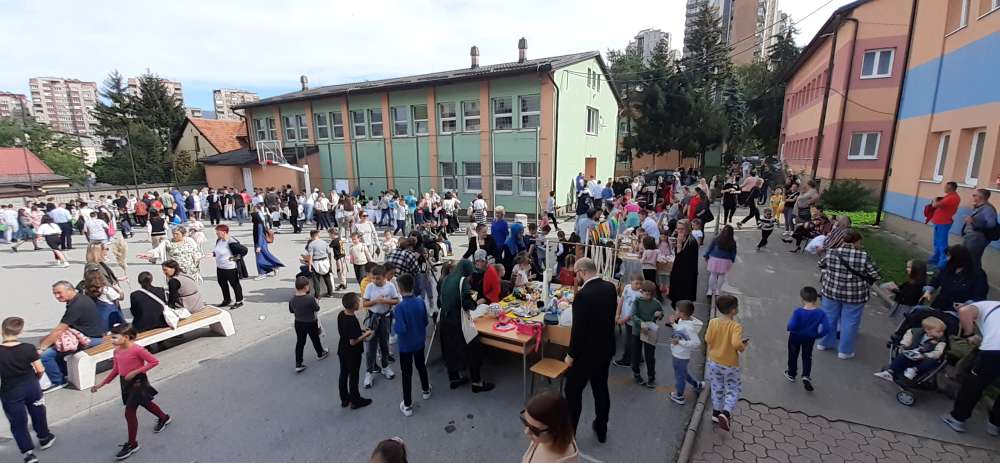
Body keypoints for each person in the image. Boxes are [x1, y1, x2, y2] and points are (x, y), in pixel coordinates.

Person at [90, 323, 171, 461]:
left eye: (115, 337)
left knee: (129, 412)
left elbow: (154, 362)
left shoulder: (138, 350)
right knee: (146, 403)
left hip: (138, 382)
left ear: (126, 337)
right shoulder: (116, 351)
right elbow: (116, 370)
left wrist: (135, 372)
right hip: (125, 383)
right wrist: (101, 384)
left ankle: (132, 444)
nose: (112, 340)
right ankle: (164, 417)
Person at [563, 257, 616, 443]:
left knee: (572, 392)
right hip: (605, 349)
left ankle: (570, 433)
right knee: (601, 390)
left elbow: (578, 331)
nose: (575, 277)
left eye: (575, 274)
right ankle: (601, 428)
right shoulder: (610, 288)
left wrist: (570, 355)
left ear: (583, 272)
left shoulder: (583, 296)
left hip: (585, 355)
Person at [816, 230, 880, 359]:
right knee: (850, 321)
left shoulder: (832, 252)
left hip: (831, 291)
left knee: (828, 317)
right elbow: (875, 274)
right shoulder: (863, 256)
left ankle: (824, 343)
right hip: (855, 295)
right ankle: (844, 351)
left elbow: (821, 264)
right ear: (857, 242)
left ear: (843, 240)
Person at [1, 317, 56, 463]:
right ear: (20, 332)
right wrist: (36, 379)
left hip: (10, 390)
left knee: (18, 422)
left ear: (2, 331)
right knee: (38, 413)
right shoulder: (28, 348)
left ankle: (28, 453)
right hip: (31, 386)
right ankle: (44, 437)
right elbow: (40, 369)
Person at [940, 301, 1000, 435]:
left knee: (975, 384)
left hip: (995, 350)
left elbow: (964, 311)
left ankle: (957, 419)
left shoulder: (983, 305)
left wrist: (970, 335)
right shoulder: (992, 308)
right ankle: (995, 424)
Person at [437, 260, 495, 392]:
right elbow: (470, 305)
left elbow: (440, 301)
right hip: (458, 321)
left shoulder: (446, 279)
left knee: (450, 349)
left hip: (445, 321)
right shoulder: (463, 281)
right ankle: (477, 383)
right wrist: (476, 298)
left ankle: (454, 379)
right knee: (474, 349)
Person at [37, 281, 106, 390]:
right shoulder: (80, 298)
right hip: (89, 335)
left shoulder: (76, 305)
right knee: (50, 342)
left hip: (91, 339)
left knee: (45, 355)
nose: (57, 296)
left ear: (70, 290)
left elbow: (60, 329)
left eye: (59, 293)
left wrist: (41, 348)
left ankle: (58, 381)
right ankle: (64, 372)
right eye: (54, 293)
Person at [705, 295, 747, 431]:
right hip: (730, 364)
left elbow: (708, 339)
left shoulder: (713, 322)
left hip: (714, 361)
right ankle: (726, 412)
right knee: (733, 388)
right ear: (733, 310)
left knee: (717, 386)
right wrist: (742, 346)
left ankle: (716, 413)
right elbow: (736, 343)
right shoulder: (735, 326)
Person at [393, 274, 431, 417]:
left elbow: (400, 329)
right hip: (419, 342)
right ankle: (426, 390)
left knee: (406, 374)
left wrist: (394, 325)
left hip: (405, 346)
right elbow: (425, 321)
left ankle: (407, 405)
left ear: (400, 288)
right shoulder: (420, 301)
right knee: (421, 366)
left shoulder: (399, 308)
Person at [874, 316, 946, 382]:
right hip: (910, 353)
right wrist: (904, 346)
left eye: (942, 331)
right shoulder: (914, 332)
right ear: (927, 330)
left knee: (932, 361)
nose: (941, 333)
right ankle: (889, 372)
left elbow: (937, 353)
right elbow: (906, 340)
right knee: (902, 355)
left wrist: (925, 355)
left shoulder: (941, 341)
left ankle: (913, 370)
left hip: (924, 358)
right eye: (938, 331)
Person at [784, 287, 830, 392]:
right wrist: (818, 335)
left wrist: (790, 328)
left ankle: (791, 373)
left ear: (802, 299)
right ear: (816, 299)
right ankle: (806, 375)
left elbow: (792, 324)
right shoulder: (820, 313)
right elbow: (826, 328)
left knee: (793, 355)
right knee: (807, 356)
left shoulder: (798, 312)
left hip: (795, 337)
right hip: (810, 338)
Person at [362, 265, 400, 389]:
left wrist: (385, 301)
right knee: (371, 347)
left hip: (385, 318)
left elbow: (396, 300)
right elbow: (365, 303)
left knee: (384, 344)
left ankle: (385, 367)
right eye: (373, 278)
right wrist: (375, 301)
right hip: (372, 318)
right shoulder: (370, 286)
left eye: (378, 278)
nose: (375, 281)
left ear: (384, 277)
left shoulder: (390, 286)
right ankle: (369, 371)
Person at [921, 245, 988, 312]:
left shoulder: (978, 275)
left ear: (957, 259)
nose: (946, 259)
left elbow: (979, 296)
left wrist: (966, 305)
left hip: (959, 310)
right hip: (940, 305)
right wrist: (928, 291)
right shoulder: (948, 267)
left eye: (949, 256)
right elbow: (936, 280)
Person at [520, 391, 580, 463]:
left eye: (534, 430)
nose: (526, 431)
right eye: (525, 422)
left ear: (555, 430)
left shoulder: (562, 460)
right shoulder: (543, 438)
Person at [338, 293, 373, 409]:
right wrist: (366, 334)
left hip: (342, 350)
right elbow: (353, 342)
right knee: (353, 377)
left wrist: (361, 330)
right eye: (358, 302)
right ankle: (355, 400)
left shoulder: (341, 314)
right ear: (354, 305)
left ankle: (344, 399)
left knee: (343, 374)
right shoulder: (352, 320)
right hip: (352, 354)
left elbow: (347, 331)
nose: (360, 303)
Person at [289, 277, 329, 373]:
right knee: (315, 339)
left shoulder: (292, 299)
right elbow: (316, 308)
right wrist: (316, 302)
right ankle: (320, 353)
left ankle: (298, 363)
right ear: (306, 287)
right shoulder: (310, 299)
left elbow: (291, 311)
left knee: (300, 342)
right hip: (310, 322)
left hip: (298, 323)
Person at [629, 280, 663, 388]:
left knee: (650, 356)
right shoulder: (637, 301)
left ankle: (651, 377)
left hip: (650, 331)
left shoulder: (656, 303)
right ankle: (636, 374)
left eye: (650, 295)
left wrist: (659, 315)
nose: (648, 297)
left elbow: (661, 313)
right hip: (637, 331)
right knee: (636, 354)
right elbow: (633, 315)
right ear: (641, 291)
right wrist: (641, 323)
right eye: (646, 294)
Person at [961, 188, 997, 270]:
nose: (973, 197)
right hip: (972, 237)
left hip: (977, 239)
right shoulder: (980, 206)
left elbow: (992, 225)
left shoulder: (988, 209)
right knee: (968, 258)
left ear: (981, 197)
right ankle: (968, 275)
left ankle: (976, 276)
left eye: (975, 195)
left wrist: (972, 221)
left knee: (973, 260)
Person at [612, 274, 643, 368]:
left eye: (640, 284)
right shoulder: (627, 288)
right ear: (630, 282)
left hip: (633, 322)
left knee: (629, 341)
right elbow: (621, 301)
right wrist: (617, 314)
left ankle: (627, 360)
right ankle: (639, 357)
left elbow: (633, 312)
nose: (638, 286)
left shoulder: (640, 295)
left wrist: (623, 320)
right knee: (634, 339)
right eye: (636, 283)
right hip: (626, 319)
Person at [212, 225, 246, 309]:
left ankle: (239, 301)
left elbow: (244, 250)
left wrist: (236, 257)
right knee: (222, 284)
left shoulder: (231, 242)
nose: (216, 234)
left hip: (230, 268)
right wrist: (213, 254)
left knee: (234, 284)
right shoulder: (219, 240)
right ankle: (227, 300)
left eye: (218, 232)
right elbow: (218, 251)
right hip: (220, 267)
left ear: (224, 232)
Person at [929, 182, 961, 269]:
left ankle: (942, 263)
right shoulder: (949, 196)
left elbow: (935, 205)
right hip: (940, 222)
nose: (944, 188)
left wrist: (935, 199)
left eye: (946, 187)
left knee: (942, 244)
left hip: (943, 223)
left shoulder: (952, 198)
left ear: (950, 188)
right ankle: (935, 258)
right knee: (937, 242)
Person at [669, 219, 700, 308]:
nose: (680, 231)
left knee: (682, 297)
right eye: (678, 228)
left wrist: (679, 244)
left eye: (682, 229)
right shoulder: (683, 238)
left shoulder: (691, 241)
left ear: (687, 228)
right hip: (679, 270)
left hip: (686, 273)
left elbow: (682, 257)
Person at [704, 225, 736, 300]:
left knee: (713, 275)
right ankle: (717, 291)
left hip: (714, 259)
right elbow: (733, 252)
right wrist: (732, 260)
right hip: (726, 260)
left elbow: (710, 248)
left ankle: (710, 291)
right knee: (722, 276)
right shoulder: (732, 242)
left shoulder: (716, 239)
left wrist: (706, 255)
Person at [252, 205, 284, 280]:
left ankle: (262, 273)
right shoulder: (260, 221)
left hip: (260, 242)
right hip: (262, 242)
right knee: (266, 256)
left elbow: (260, 235)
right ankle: (274, 266)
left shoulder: (258, 224)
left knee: (260, 258)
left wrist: (259, 246)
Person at [305, 230, 334, 299]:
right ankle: (330, 293)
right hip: (325, 261)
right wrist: (330, 263)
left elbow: (310, 256)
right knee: (327, 278)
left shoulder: (311, 244)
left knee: (316, 280)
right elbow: (329, 252)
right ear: (318, 235)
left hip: (316, 262)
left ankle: (317, 295)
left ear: (311, 236)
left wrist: (309, 266)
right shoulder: (324, 242)